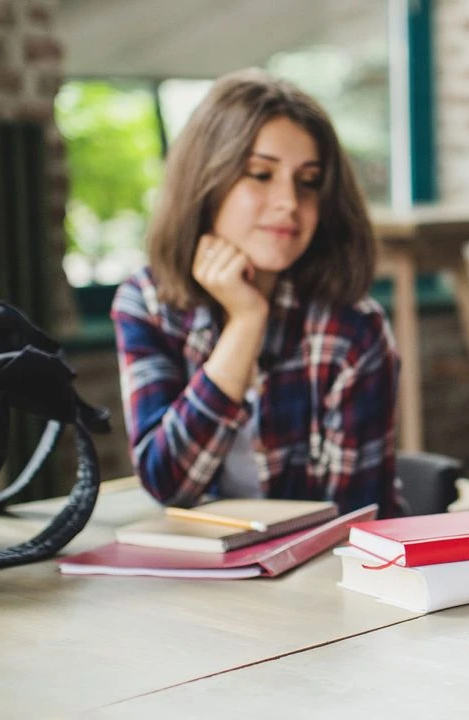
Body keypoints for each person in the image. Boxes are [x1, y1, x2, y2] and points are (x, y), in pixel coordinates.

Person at [112, 68, 402, 516]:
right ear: (206, 182)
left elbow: (355, 524)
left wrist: (249, 315)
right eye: (260, 174)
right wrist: (245, 323)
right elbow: (167, 481)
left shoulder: (354, 331)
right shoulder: (147, 303)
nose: (289, 201)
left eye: (308, 181)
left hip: (319, 575)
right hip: (193, 573)